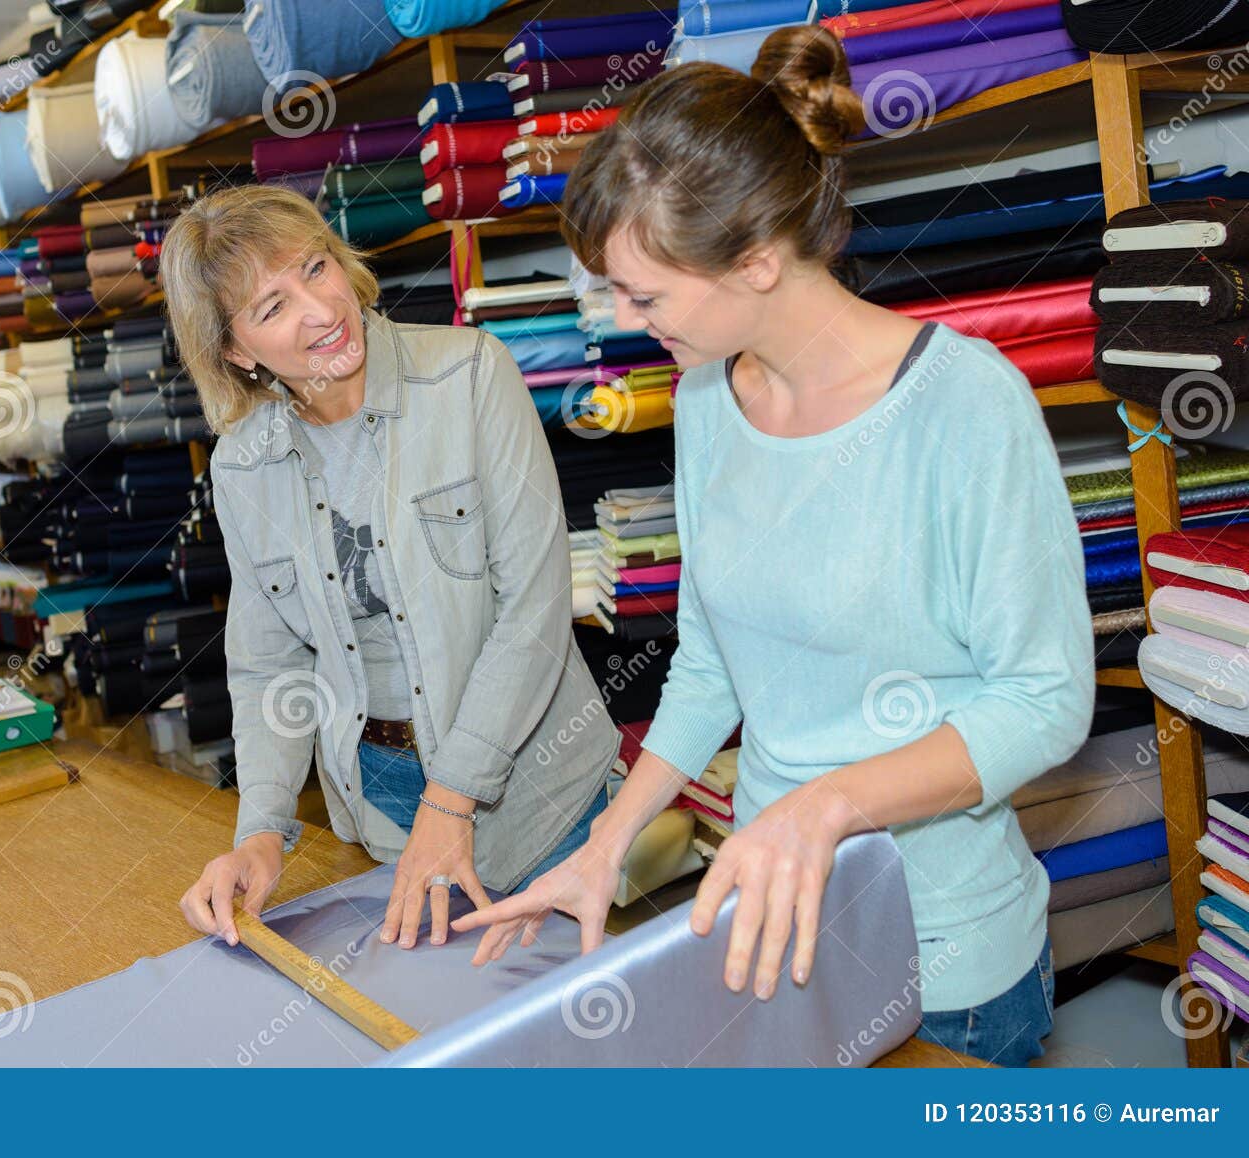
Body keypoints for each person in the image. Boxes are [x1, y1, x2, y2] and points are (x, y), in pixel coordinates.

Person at [455, 27, 1094, 1067]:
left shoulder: (966, 404)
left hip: (948, 971)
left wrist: (824, 807)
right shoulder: (709, 394)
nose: (619, 320)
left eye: (643, 295)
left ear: (755, 262)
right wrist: (606, 849)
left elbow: (1044, 700)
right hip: (771, 943)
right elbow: (709, 663)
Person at [161, 185, 618, 952]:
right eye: (272, 307)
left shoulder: (470, 373)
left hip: (541, 806)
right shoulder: (243, 464)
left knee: (581, 1043)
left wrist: (453, 799)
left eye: (316, 268)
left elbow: (535, 609)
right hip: (386, 806)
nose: (319, 309)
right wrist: (263, 830)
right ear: (235, 352)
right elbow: (269, 663)